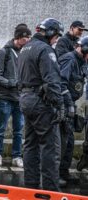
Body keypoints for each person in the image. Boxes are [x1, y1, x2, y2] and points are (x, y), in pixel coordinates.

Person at [18, 18, 64, 191]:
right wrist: (59, 105)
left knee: (30, 145)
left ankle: (31, 186)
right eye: (56, 35)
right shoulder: (45, 50)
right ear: (51, 32)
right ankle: (50, 190)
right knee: (49, 147)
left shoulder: (25, 48)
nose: (57, 39)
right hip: (40, 102)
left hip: (26, 99)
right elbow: (52, 81)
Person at [0, 25, 32, 167]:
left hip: (20, 98)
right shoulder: (4, 52)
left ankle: (16, 156)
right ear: (18, 38)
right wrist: (11, 83)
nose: (28, 40)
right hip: (4, 97)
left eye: (29, 37)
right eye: (25, 37)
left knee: (19, 130)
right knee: (0, 128)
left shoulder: (26, 52)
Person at [58, 36, 88, 187]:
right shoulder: (69, 60)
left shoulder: (81, 62)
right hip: (63, 106)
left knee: (69, 142)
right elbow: (61, 84)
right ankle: (56, 175)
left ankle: (64, 172)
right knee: (62, 142)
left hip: (71, 104)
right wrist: (69, 105)